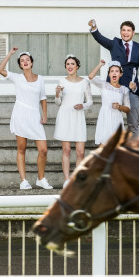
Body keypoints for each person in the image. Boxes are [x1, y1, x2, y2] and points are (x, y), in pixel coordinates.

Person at [0, 48, 52, 190]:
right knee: (22, 148)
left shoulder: (40, 79)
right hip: (20, 114)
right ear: (20, 65)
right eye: (22, 61)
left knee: (43, 150)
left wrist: (44, 114)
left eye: (27, 60)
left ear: (31, 63)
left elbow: (43, 98)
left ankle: (40, 179)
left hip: (35, 116)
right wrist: (10, 54)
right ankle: (23, 180)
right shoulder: (17, 77)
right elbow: (0, 69)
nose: (25, 62)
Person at [88, 19, 139, 136]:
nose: (126, 33)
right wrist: (94, 27)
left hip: (132, 89)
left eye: (129, 30)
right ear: (120, 32)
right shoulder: (114, 44)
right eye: (124, 30)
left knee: (133, 123)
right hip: (114, 88)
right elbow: (100, 38)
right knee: (110, 120)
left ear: (133, 32)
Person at [54, 55, 94, 188]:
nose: (70, 66)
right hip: (65, 116)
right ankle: (66, 179)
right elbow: (58, 103)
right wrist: (57, 94)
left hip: (78, 117)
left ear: (77, 66)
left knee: (80, 152)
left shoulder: (85, 82)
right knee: (66, 150)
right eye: (67, 64)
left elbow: (90, 101)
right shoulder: (61, 81)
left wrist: (83, 105)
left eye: (72, 64)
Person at [88, 61, 131, 146]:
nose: (114, 73)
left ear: (120, 74)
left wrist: (119, 107)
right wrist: (100, 65)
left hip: (116, 119)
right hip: (105, 118)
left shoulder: (124, 89)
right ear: (109, 74)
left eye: (117, 71)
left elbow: (128, 109)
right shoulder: (103, 85)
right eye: (112, 71)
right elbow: (90, 77)